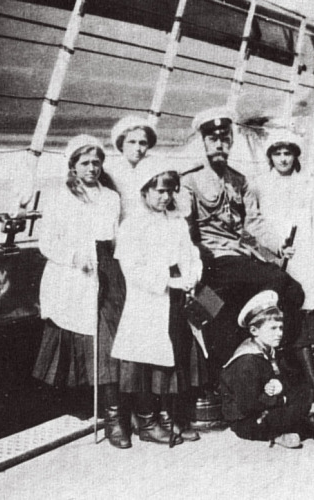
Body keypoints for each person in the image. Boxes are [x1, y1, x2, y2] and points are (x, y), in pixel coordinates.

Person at [180, 108, 305, 387]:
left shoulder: (239, 180)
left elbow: (253, 224)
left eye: (225, 138)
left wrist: (279, 245)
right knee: (213, 314)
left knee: (291, 291)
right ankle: (229, 382)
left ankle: (275, 363)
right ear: (202, 142)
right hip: (211, 261)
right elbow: (185, 231)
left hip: (239, 259)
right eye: (213, 139)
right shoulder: (188, 182)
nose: (220, 144)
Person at [33, 135, 127, 445]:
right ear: (73, 166)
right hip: (73, 276)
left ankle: (115, 416)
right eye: (85, 162)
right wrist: (74, 257)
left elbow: (116, 240)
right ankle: (96, 412)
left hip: (108, 274)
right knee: (86, 343)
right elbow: (46, 242)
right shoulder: (60, 196)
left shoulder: (111, 198)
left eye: (97, 162)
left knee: (110, 340)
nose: (92, 168)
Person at [247, 130, 314, 411]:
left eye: (288, 153)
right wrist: (273, 253)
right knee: (295, 320)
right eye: (277, 153)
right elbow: (255, 226)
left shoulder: (308, 184)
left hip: (308, 256)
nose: (283, 158)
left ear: (295, 156)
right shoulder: (260, 185)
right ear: (270, 157)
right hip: (281, 261)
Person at [111, 157, 203, 445]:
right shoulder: (133, 225)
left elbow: (191, 254)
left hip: (175, 299)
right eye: (159, 191)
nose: (165, 197)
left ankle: (168, 415)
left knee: (173, 359)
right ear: (145, 191)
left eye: (170, 191)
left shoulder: (175, 221)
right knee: (145, 364)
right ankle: (147, 421)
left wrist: (191, 276)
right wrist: (166, 281)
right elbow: (132, 269)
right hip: (148, 300)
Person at [221, 290, 314, 448]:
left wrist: (281, 386)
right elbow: (247, 406)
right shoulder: (246, 362)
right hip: (248, 418)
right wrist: (277, 397)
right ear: (254, 331)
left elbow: (283, 376)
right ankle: (286, 432)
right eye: (273, 328)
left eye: (280, 328)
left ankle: (297, 424)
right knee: (291, 410)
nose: (279, 333)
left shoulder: (268, 348)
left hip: (267, 402)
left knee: (305, 391)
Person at [108, 115, 158, 221]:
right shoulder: (111, 173)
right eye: (132, 142)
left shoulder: (155, 171)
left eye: (143, 143)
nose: (137, 149)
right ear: (121, 144)